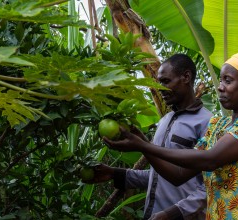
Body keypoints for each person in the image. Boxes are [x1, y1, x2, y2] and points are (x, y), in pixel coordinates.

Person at [104, 49, 238, 219]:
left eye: (228, 80)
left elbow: (210, 159)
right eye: (221, 79)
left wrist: (143, 145)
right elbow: (178, 175)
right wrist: (140, 143)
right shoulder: (218, 125)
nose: (220, 86)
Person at [84, 54, 213, 220]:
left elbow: (210, 186)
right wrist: (115, 173)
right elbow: (158, 175)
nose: (160, 88)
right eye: (159, 83)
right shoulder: (165, 120)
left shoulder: (208, 123)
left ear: (186, 77)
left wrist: (172, 213)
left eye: (166, 81)